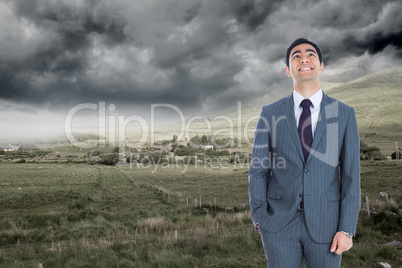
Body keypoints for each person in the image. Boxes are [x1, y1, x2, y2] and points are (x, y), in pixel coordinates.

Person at [248, 38, 360, 267]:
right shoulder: (269, 113)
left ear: (321, 66)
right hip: (278, 224)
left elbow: (351, 176)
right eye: (296, 56)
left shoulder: (344, 114)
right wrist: (258, 215)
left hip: (327, 225)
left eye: (311, 54)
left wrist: (347, 229)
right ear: (288, 70)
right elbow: (258, 169)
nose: (304, 58)